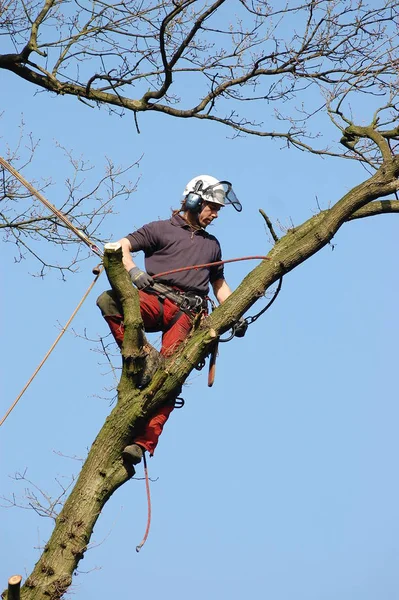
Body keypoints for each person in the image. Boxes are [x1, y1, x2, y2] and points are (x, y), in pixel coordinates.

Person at [97, 175, 247, 465]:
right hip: (154, 299)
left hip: (187, 314)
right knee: (109, 300)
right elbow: (121, 246)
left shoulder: (212, 245)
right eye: (212, 207)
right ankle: (141, 355)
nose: (215, 215)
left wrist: (236, 313)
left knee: (171, 376)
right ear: (193, 201)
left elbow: (219, 286)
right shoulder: (159, 230)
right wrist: (132, 272)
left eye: (218, 209)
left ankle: (142, 442)